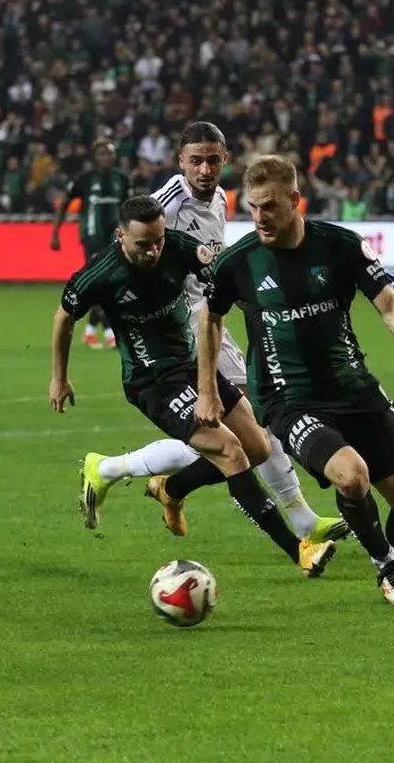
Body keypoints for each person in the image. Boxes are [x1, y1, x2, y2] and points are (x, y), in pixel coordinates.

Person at [196, 155, 394, 609]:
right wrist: (207, 389)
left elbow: (389, 304)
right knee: (351, 475)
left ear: (295, 200)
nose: (260, 217)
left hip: (352, 387)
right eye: (253, 207)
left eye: (270, 206)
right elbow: (210, 319)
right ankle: (388, 568)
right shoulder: (238, 262)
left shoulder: (340, 246)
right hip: (288, 398)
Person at [82, 123, 348, 545]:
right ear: (181, 162)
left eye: (212, 160)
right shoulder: (166, 203)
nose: (204, 169)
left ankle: (123, 473)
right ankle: (300, 521)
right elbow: (122, 256)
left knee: (231, 434)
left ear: (225, 159)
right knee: (248, 427)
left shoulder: (221, 199)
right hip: (185, 329)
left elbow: (213, 269)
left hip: (211, 318)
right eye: (196, 161)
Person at [50, 195, 338, 578]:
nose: (154, 251)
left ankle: (170, 489)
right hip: (152, 382)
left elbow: (222, 286)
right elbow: (64, 318)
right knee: (230, 451)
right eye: (143, 244)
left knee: (258, 447)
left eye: (158, 240)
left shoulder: (181, 248)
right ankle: (299, 550)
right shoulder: (101, 273)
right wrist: (59, 377)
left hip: (193, 367)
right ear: (120, 236)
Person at [50, 140, 133, 349]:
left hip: (116, 238)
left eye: (109, 154)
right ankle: (110, 332)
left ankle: (90, 332)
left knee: (112, 284)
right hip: (92, 237)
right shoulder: (84, 179)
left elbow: (130, 209)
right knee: (99, 282)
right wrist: (55, 233)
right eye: (101, 154)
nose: (105, 158)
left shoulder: (122, 180)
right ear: (95, 157)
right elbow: (64, 203)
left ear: (114, 157)